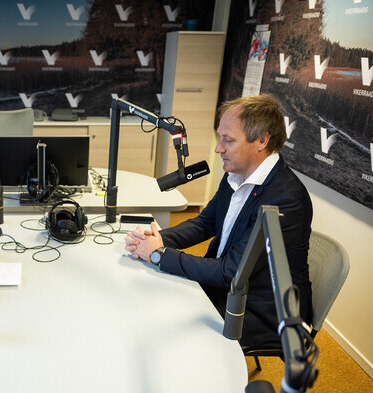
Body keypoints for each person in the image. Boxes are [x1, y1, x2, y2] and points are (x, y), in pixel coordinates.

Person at [125, 94, 312, 348]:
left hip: (264, 310)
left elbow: (231, 273)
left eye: (229, 140)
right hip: (228, 287)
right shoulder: (236, 174)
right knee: (150, 295)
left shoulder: (286, 200)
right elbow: (205, 222)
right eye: (219, 137)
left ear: (262, 141)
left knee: (164, 321)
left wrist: (160, 255)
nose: (218, 148)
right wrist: (156, 240)